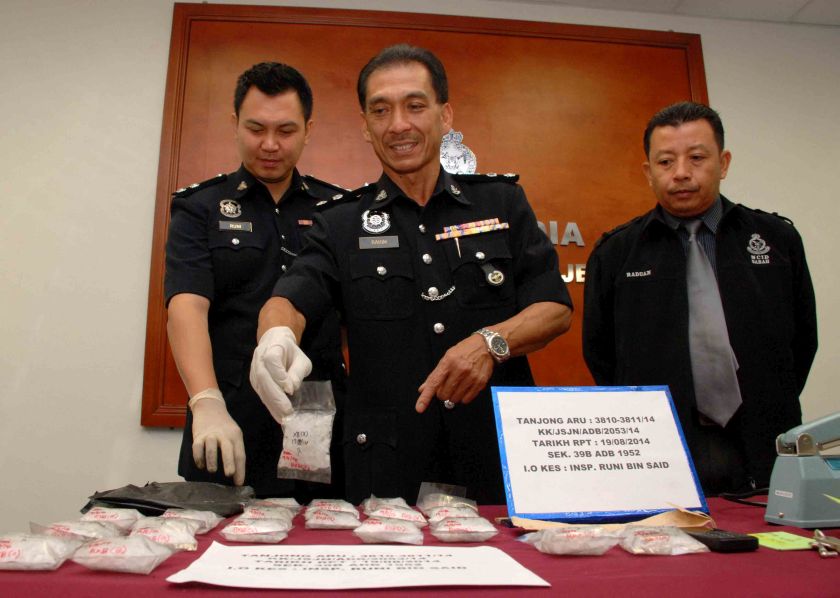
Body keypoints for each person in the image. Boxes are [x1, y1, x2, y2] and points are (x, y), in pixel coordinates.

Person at [250, 44, 573, 504]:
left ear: (445, 116)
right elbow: (295, 292)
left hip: (499, 462)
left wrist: (490, 342)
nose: (398, 124)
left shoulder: (500, 203)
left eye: (415, 106)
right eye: (380, 110)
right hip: (386, 472)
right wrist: (276, 336)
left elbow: (554, 309)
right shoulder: (340, 222)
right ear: (365, 126)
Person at [583, 101, 817, 495]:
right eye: (665, 162)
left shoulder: (777, 240)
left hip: (764, 438)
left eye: (697, 158)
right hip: (661, 448)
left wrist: (768, 397)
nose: (681, 174)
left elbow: (802, 342)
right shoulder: (617, 253)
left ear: (723, 163)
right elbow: (601, 353)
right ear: (648, 172)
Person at [164, 62, 346, 499]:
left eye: (285, 130)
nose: (270, 144)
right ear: (234, 125)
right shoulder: (200, 208)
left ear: (308, 129)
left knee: (318, 546)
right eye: (255, 128)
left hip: (317, 415)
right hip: (228, 414)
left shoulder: (337, 210)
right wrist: (205, 401)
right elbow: (186, 306)